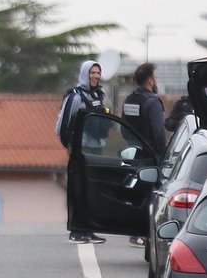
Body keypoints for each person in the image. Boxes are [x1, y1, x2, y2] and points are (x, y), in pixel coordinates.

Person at [55, 60, 110, 245]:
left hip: (96, 149)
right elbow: (63, 124)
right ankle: (77, 230)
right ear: (84, 74)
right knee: (79, 189)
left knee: (92, 190)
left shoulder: (99, 95)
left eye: (97, 73)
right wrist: (69, 145)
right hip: (81, 150)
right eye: (92, 73)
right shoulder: (76, 96)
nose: (95, 76)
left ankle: (89, 228)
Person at [122, 62, 167, 161]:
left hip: (130, 152)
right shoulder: (152, 102)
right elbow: (159, 132)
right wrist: (163, 152)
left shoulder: (129, 100)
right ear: (151, 81)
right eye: (155, 78)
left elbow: (124, 130)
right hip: (150, 155)